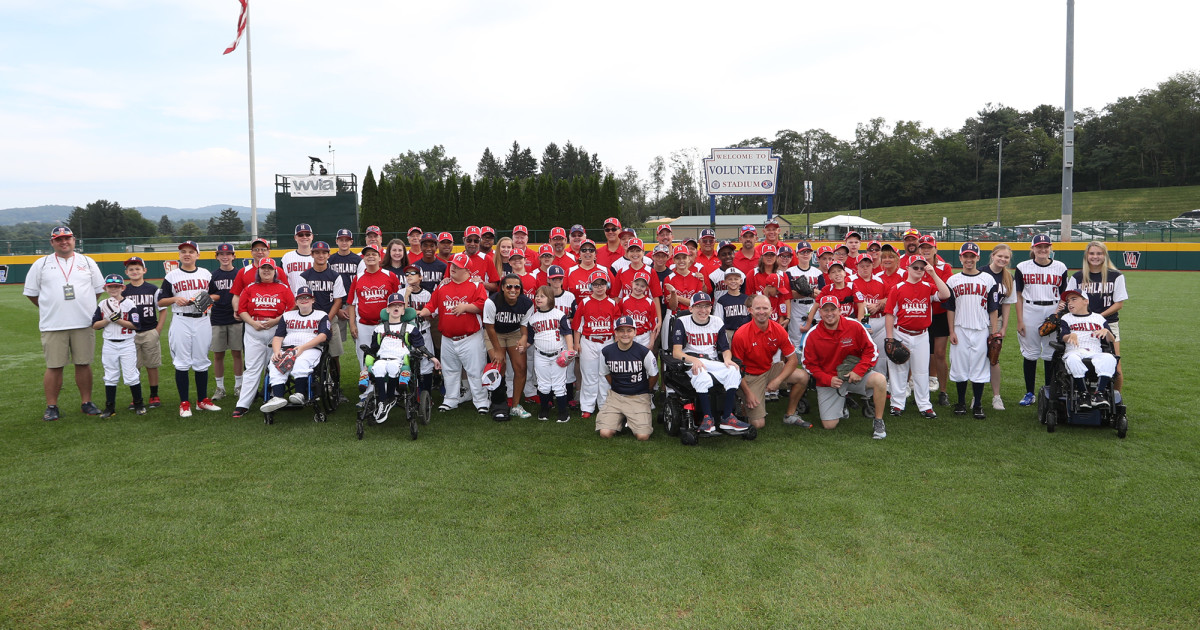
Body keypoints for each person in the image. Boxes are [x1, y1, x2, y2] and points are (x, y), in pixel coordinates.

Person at [24, 226, 106, 420]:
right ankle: (51, 406)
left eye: (67, 238)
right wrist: (50, 307)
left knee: (83, 363)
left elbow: (97, 290)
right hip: (53, 324)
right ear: (52, 242)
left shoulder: (87, 261)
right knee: (54, 366)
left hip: (83, 322)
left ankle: (86, 402)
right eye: (59, 239)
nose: (64, 242)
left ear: (74, 240)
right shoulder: (41, 263)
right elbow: (32, 294)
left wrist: (83, 307)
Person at [803, 295, 888, 438]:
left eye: (833, 309)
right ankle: (842, 403)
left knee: (880, 380)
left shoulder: (854, 325)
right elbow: (808, 364)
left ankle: (878, 421)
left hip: (853, 376)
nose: (829, 313)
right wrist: (827, 379)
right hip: (831, 380)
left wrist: (858, 371)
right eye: (825, 310)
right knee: (829, 425)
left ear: (840, 310)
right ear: (820, 313)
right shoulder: (813, 334)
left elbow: (871, 351)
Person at [419, 253, 490, 414]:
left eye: (458, 266)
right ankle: (451, 399)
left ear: (467, 269)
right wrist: (422, 312)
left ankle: (481, 401)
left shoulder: (476, 285)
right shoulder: (443, 286)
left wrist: (466, 307)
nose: (453, 268)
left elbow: (483, 305)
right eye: (452, 265)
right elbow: (432, 305)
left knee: (475, 370)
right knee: (449, 370)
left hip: (470, 337)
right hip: (448, 338)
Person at [158, 240, 221, 417]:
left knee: (201, 360)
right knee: (182, 362)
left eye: (191, 252)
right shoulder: (172, 276)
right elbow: (161, 301)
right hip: (181, 320)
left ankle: (202, 400)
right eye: (183, 252)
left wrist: (203, 298)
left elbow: (217, 294)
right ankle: (184, 403)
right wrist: (174, 299)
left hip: (202, 320)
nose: (187, 254)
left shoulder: (206, 273)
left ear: (197, 255)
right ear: (179, 256)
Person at [883, 255, 950, 418]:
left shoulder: (928, 286)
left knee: (921, 371)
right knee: (899, 370)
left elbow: (946, 294)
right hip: (901, 332)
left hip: (921, 335)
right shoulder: (897, 288)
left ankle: (924, 405)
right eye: (915, 267)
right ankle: (897, 404)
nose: (919, 270)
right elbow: (890, 314)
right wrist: (890, 338)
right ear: (907, 268)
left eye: (922, 267)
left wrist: (933, 274)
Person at [358, 293, 441, 421]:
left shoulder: (410, 328)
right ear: (387, 309)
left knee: (392, 368)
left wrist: (432, 358)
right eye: (393, 306)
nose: (396, 308)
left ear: (403, 310)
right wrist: (365, 365)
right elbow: (374, 349)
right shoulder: (379, 329)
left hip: (399, 359)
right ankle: (382, 400)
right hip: (382, 358)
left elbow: (420, 346)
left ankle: (390, 397)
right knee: (378, 368)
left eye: (399, 305)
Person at [670, 292, 746, 434]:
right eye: (699, 306)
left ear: (711, 308)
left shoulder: (717, 321)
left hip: (712, 360)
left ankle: (727, 417)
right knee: (700, 373)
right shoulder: (682, 321)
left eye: (706, 306)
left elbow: (725, 349)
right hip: (691, 360)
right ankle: (707, 418)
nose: (703, 310)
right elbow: (676, 352)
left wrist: (728, 360)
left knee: (734, 370)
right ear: (691, 308)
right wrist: (693, 360)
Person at [733, 294, 812, 429]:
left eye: (765, 308)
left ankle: (790, 415)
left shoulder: (778, 330)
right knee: (758, 424)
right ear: (750, 310)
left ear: (771, 311)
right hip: (749, 377)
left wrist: (778, 380)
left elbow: (792, 360)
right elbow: (735, 370)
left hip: (769, 369)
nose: (762, 312)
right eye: (758, 308)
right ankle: (741, 402)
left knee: (803, 377)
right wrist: (748, 393)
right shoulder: (741, 334)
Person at [230, 258, 293, 418]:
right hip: (254, 330)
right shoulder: (250, 288)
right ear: (258, 270)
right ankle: (243, 404)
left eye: (269, 269)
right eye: (263, 268)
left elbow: (291, 308)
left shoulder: (283, 288)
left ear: (275, 271)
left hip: (276, 330)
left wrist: (276, 320)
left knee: (275, 365)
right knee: (252, 368)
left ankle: (274, 397)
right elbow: (242, 310)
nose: (266, 271)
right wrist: (252, 322)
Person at [945, 243, 1000, 419]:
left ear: (978, 257)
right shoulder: (953, 280)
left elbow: (993, 308)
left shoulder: (988, 280)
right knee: (960, 367)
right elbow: (950, 308)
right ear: (960, 258)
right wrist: (951, 331)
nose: (969, 260)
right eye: (965, 256)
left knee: (980, 368)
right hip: (960, 328)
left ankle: (977, 404)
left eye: (972, 256)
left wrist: (994, 332)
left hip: (981, 329)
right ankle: (961, 402)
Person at [1014, 234, 1069, 407]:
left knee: (1050, 353)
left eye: (1046, 246)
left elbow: (1064, 295)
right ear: (1032, 249)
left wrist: (1058, 315)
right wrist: (1020, 320)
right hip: (1030, 309)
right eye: (1039, 246)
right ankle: (1029, 392)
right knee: (1030, 353)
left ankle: (1048, 390)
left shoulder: (1060, 267)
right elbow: (1018, 295)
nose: (1043, 249)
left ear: (1050, 248)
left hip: (1053, 308)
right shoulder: (1022, 267)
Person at [1067, 241, 1128, 391]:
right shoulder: (1077, 277)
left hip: (1108, 325)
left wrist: (1097, 318)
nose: (1095, 257)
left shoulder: (1116, 276)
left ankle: (1117, 401)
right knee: (1080, 359)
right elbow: (1068, 300)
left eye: (1099, 253)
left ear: (1105, 255)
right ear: (1086, 256)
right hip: (1080, 325)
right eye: (1092, 253)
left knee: (1116, 367)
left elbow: (1119, 303)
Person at [261, 286, 330, 413]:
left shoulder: (321, 315)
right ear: (296, 301)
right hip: (287, 348)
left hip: (310, 348)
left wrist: (303, 347)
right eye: (301, 298)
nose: (304, 300)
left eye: (307, 297)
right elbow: (278, 337)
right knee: (275, 362)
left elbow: (323, 336)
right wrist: (276, 351)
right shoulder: (287, 316)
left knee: (301, 361)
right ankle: (277, 397)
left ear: (313, 300)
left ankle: (299, 394)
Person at [347, 244, 401, 391]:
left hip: (385, 325)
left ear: (380, 257)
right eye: (367, 254)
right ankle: (368, 391)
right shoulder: (358, 278)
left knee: (389, 356)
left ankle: (389, 389)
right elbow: (351, 303)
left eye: (374, 254)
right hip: (364, 324)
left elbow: (398, 301)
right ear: (363, 258)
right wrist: (352, 325)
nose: (370, 256)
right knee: (365, 358)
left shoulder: (390, 276)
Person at [1054, 289, 1118, 409]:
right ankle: (1084, 394)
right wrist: (1070, 336)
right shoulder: (1066, 318)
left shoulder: (1099, 318)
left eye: (1074, 299)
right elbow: (1063, 337)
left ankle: (1099, 394)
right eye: (1068, 301)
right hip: (1074, 351)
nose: (1070, 303)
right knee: (1073, 359)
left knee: (1109, 358)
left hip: (1095, 352)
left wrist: (1107, 331)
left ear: (1086, 301)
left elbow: (1112, 340)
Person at [597, 315, 658, 440]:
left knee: (643, 436)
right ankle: (622, 416)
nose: (625, 334)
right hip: (616, 396)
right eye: (621, 331)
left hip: (638, 397)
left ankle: (630, 416)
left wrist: (645, 390)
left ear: (635, 332)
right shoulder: (606, 352)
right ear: (616, 333)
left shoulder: (644, 352)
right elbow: (607, 374)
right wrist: (618, 387)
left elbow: (654, 375)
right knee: (605, 433)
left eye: (629, 330)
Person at [91, 273, 143, 418]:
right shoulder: (102, 304)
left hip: (127, 343)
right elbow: (95, 325)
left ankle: (139, 404)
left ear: (122, 288)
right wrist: (107, 319)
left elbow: (135, 325)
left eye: (117, 286)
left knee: (131, 375)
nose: (113, 289)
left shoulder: (129, 304)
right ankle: (109, 407)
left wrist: (118, 320)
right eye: (110, 286)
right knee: (110, 375)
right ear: (105, 288)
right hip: (109, 343)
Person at [485, 274, 534, 418]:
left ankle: (516, 405)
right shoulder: (492, 302)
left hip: (514, 332)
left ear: (521, 289)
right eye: (509, 286)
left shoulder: (527, 303)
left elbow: (524, 325)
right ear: (502, 288)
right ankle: (499, 403)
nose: (513, 289)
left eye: (517, 287)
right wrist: (498, 350)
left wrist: (524, 338)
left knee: (521, 367)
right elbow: (489, 328)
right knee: (499, 365)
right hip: (494, 333)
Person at [573, 271, 620, 419]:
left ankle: (604, 405)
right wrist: (576, 343)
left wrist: (617, 344)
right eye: (596, 284)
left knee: (605, 375)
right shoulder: (585, 302)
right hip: (589, 341)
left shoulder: (612, 303)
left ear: (607, 285)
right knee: (589, 375)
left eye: (602, 284)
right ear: (590, 286)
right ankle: (587, 406)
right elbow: (578, 324)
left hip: (607, 341)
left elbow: (617, 326)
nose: (599, 287)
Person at [120, 256, 165, 409]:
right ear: (126, 272)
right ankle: (136, 397)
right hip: (131, 333)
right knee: (134, 366)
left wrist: (158, 330)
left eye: (137, 268)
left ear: (144, 270)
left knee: (152, 365)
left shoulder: (153, 289)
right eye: (131, 269)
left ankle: (154, 395)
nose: (134, 271)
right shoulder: (124, 290)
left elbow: (163, 310)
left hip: (149, 330)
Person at [915, 235, 954, 406]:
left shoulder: (944, 267)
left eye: (929, 247)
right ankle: (918, 388)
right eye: (923, 247)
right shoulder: (916, 265)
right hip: (920, 314)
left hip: (939, 314)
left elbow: (944, 292)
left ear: (935, 249)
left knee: (939, 353)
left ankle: (943, 390)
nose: (926, 250)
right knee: (919, 354)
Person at [527, 286, 575, 422]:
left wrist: (570, 350)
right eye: (537, 296)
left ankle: (563, 412)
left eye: (542, 296)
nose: (538, 298)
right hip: (540, 355)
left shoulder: (559, 315)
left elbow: (567, 333)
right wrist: (522, 346)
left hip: (558, 354)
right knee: (543, 384)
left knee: (559, 384)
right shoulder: (533, 318)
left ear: (550, 299)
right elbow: (530, 339)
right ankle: (544, 410)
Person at [299, 241, 347, 361]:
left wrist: (327, 321)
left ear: (328, 255)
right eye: (317, 252)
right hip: (310, 320)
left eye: (324, 253)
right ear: (312, 254)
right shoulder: (304, 276)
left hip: (330, 318)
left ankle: (336, 380)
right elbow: (302, 300)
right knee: (309, 353)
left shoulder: (335, 276)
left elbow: (338, 301)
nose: (321, 255)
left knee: (334, 356)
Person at [983, 243, 1016, 410]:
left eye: (1006, 257)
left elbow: (1007, 304)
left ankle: (996, 396)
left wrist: (1003, 328)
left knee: (994, 359)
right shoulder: (981, 272)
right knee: (977, 359)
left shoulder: (1009, 277)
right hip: (979, 320)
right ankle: (977, 396)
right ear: (993, 255)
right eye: (1000, 256)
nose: (1003, 259)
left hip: (998, 321)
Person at [209, 243, 244, 401]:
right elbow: (208, 297)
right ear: (216, 256)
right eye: (221, 254)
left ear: (233, 256)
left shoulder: (239, 274)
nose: (225, 257)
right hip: (217, 317)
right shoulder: (213, 275)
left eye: (228, 254)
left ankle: (239, 386)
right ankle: (220, 387)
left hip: (236, 318)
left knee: (237, 352)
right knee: (218, 354)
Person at [329, 228, 362, 373]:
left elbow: (360, 284)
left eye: (346, 240)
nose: (344, 242)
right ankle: (333, 383)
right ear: (336, 241)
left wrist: (351, 307)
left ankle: (367, 376)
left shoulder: (358, 260)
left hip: (353, 305)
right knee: (333, 347)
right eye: (341, 239)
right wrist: (337, 309)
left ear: (351, 242)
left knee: (361, 342)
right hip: (337, 305)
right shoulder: (330, 260)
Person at [618, 269, 660, 350]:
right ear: (631, 283)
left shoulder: (650, 302)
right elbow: (618, 321)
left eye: (642, 286)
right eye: (637, 284)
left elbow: (653, 324)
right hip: (627, 336)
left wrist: (651, 342)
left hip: (644, 337)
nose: (639, 288)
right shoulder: (624, 301)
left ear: (647, 288)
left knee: (643, 361)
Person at [462, 226, 500, 291]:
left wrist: (482, 283)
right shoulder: (455, 258)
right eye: (469, 240)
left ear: (479, 241)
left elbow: (496, 286)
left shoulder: (487, 258)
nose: (472, 243)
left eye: (476, 241)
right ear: (464, 240)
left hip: (481, 299)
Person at [282, 223, 315, 293]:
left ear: (312, 237)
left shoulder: (320, 257)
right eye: (300, 235)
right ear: (295, 237)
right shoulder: (287, 257)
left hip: (315, 300)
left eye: (307, 234)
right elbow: (281, 281)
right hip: (293, 300)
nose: (304, 237)